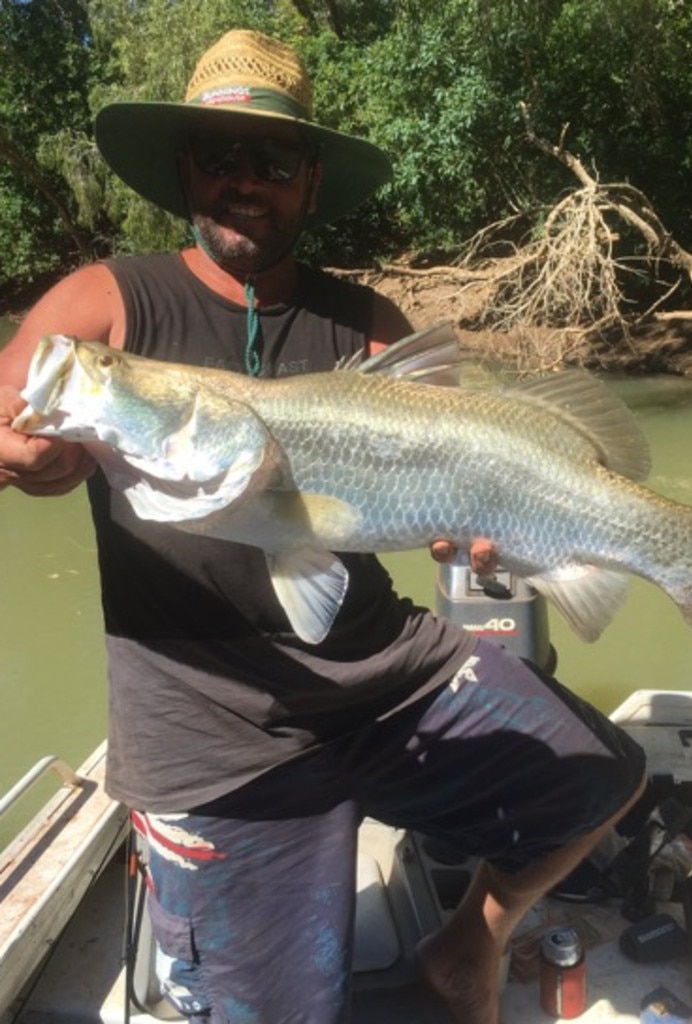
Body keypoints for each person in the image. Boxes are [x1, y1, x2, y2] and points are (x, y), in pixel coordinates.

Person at [0, 29, 646, 1024]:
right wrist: (26, 451)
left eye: (272, 160)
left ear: (309, 178)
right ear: (185, 170)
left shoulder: (369, 323)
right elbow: (21, 408)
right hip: (208, 725)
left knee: (605, 776)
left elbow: (445, 518)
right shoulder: (109, 306)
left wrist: (484, 539)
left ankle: (471, 935)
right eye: (221, 157)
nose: (244, 180)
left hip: (389, 674)